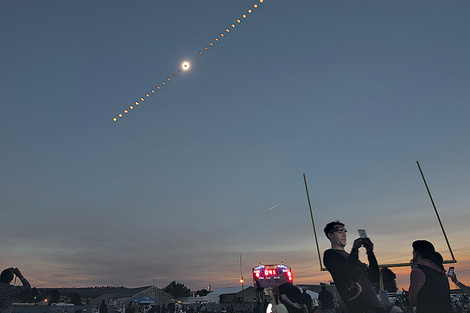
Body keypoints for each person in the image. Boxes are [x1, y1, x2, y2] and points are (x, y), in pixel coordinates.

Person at [323, 221, 385, 313]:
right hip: (360, 308)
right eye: (339, 231)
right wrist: (355, 250)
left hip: (375, 305)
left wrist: (370, 253)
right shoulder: (330, 255)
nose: (344, 234)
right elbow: (345, 276)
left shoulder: (352, 257)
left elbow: (374, 278)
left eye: (345, 231)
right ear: (330, 235)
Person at [408, 240, 452, 313]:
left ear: (417, 253)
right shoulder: (440, 270)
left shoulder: (419, 272)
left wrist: (414, 270)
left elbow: (412, 301)